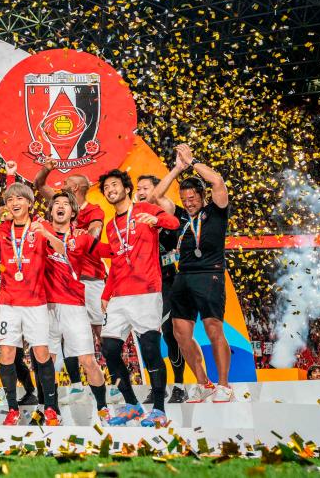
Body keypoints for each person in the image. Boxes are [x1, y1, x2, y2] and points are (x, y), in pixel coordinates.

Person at [98, 169, 180, 427]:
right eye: (106, 188)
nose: (110, 190)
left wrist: (157, 222)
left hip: (146, 291)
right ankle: (131, 405)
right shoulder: (111, 226)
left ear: (126, 188)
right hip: (120, 296)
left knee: (150, 349)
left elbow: (175, 223)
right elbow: (117, 261)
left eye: (114, 185)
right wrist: (105, 294)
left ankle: (158, 409)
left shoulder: (145, 208)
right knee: (109, 349)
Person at [155, 144, 233, 403]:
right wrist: (177, 168)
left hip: (210, 274)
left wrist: (192, 161)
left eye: (193, 199)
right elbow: (156, 197)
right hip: (183, 276)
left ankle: (224, 385)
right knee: (180, 333)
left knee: (213, 328)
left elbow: (217, 180)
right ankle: (203, 383)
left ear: (202, 196)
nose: (189, 204)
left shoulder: (216, 211)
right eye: (185, 200)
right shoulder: (178, 216)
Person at [0, 182, 64, 426]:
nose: (14, 203)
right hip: (9, 302)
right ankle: (12, 410)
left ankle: (51, 408)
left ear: (29, 203)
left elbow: (62, 251)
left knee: (41, 353)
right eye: (10, 200)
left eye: (19, 199)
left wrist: (48, 235)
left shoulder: (41, 227)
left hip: (36, 303)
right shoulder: (1, 231)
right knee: (7, 354)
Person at [42, 191, 111, 418]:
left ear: (73, 212)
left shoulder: (81, 237)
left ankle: (102, 407)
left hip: (73, 305)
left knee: (88, 360)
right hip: (45, 307)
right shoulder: (39, 231)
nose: (60, 206)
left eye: (66, 204)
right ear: (51, 210)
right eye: (56, 204)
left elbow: (109, 252)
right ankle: (51, 410)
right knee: (47, 362)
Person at [136, 174, 188, 404]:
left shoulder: (168, 212)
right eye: (138, 189)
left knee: (169, 333)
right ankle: (157, 387)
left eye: (145, 188)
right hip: (144, 286)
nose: (140, 192)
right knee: (147, 337)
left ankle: (179, 385)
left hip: (167, 282)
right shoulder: (136, 218)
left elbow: (160, 199)